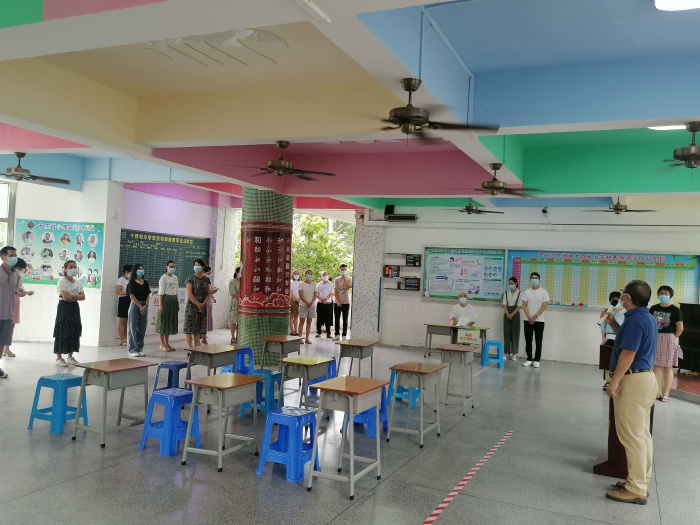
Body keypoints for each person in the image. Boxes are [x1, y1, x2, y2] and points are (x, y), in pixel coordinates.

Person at [602, 280, 658, 505]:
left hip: (633, 381)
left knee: (632, 437)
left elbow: (628, 353)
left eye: (623, 293)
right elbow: (629, 342)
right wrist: (614, 324)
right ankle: (641, 480)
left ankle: (636, 488)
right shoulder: (645, 317)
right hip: (646, 379)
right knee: (642, 435)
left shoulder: (635, 320)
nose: (621, 295)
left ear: (628, 297)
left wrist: (614, 381)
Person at [650, 285, 683, 403]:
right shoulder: (653, 308)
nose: (663, 295)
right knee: (656, 367)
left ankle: (666, 393)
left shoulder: (675, 310)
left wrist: (673, 337)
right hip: (655, 338)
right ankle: (657, 392)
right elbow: (650, 323)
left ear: (670, 295)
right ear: (658, 294)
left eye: (666, 293)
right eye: (661, 293)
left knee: (668, 367)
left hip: (669, 338)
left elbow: (680, 328)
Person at [0, 247, 28, 375]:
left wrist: (25, 293)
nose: (14, 258)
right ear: (3, 257)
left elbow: (17, 292)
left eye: (15, 255)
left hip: (8, 313)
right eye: (11, 255)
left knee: (2, 342)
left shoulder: (16, 274)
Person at [54, 260, 84, 367]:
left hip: (74, 308)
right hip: (64, 307)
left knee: (74, 331)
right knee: (62, 331)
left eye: (75, 267)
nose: (73, 269)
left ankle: (70, 357)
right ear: (65, 269)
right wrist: (75, 296)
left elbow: (83, 297)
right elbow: (65, 298)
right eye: (70, 267)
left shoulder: (78, 282)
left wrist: (71, 295)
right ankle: (59, 358)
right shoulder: (62, 282)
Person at [5, 258, 34, 358]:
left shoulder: (18, 277)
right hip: (4, 303)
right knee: (4, 325)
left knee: (10, 325)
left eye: (21, 269)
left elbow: (20, 290)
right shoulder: (4, 275)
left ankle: (6, 348)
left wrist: (26, 293)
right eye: (19, 268)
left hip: (14, 302)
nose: (20, 271)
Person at [521, 272, 550, 368]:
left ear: (539, 280)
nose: (534, 279)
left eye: (536, 278)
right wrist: (529, 317)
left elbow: (544, 306)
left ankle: (537, 359)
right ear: (530, 280)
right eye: (532, 278)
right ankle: (529, 359)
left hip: (539, 320)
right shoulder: (526, 292)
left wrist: (535, 316)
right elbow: (524, 305)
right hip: (527, 319)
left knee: (538, 341)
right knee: (528, 340)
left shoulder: (544, 292)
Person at [599, 291, 626, 391]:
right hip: (609, 338)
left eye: (617, 298)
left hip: (620, 338)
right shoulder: (608, 311)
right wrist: (603, 339)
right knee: (607, 361)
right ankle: (608, 381)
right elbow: (603, 327)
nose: (615, 300)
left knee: (619, 361)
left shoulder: (625, 312)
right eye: (613, 298)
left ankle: (618, 381)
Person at [184, 259, 212, 348]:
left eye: (198, 265)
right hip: (192, 307)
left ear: (203, 267)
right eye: (195, 265)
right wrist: (199, 304)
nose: (196, 267)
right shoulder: (190, 279)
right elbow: (190, 294)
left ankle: (196, 348)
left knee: (198, 329)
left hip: (202, 307)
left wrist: (203, 303)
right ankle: (189, 349)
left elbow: (208, 293)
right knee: (188, 329)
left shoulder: (206, 280)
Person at [127, 263, 150, 357]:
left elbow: (148, 295)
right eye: (139, 269)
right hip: (135, 305)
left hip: (144, 306)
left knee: (142, 328)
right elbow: (132, 296)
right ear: (135, 271)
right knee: (132, 328)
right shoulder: (132, 282)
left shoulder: (145, 282)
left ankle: (140, 348)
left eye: (142, 269)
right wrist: (140, 307)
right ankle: (132, 349)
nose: (141, 271)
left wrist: (146, 305)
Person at [156, 260, 178, 352]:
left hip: (173, 300)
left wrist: (177, 302)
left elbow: (176, 291)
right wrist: (160, 305)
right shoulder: (163, 278)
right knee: (163, 322)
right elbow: (161, 292)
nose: (172, 268)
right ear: (166, 267)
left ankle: (167, 343)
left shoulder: (175, 277)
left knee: (168, 323)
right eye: (170, 266)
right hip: (165, 300)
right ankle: (162, 344)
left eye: (174, 267)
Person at [502, 277, 522, 361]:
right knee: (506, 333)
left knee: (515, 333)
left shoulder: (520, 293)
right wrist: (507, 314)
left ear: (516, 283)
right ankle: (506, 353)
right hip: (507, 314)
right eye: (509, 283)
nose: (510, 285)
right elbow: (504, 304)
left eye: (512, 283)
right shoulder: (506, 293)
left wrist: (512, 314)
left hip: (515, 314)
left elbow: (519, 305)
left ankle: (514, 353)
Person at [298, 269, 319, 344]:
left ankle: (307, 338)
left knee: (309, 322)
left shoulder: (314, 284)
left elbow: (315, 295)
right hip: (303, 305)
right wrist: (306, 302)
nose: (309, 275)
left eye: (310, 274)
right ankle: (300, 338)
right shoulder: (301, 284)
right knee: (302, 322)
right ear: (305, 275)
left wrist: (311, 302)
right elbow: (300, 295)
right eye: (308, 273)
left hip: (312, 306)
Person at [333, 264, 352, 341]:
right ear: (339, 270)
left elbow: (347, 288)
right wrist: (338, 301)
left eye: (344, 270)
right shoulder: (336, 279)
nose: (343, 271)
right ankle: (337, 334)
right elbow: (335, 291)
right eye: (342, 270)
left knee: (345, 319)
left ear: (346, 270)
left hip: (346, 302)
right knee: (337, 319)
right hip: (337, 302)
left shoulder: (349, 279)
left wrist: (344, 279)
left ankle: (344, 335)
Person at [116, 265, 132, 346]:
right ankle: (122, 339)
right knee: (122, 321)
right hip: (123, 301)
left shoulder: (131, 280)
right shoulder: (121, 280)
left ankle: (126, 338)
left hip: (130, 300)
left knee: (127, 322)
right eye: (130, 273)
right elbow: (118, 291)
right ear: (126, 272)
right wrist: (128, 293)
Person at [315, 271, 334, 339]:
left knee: (328, 319)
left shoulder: (331, 284)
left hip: (328, 303)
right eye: (323, 275)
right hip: (320, 303)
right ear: (321, 276)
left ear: (328, 275)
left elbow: (332, 293)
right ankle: (318, 332)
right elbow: (316, 293)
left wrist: (325, 299)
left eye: (326, 275)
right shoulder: (318, 284)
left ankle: (328, 333)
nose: (325, 276)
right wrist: (321, 299)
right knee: (319, 318)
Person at [229, 267, 240, 344]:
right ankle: (233, 337)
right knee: (233, 321)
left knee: (239, 321)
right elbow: (233, 293)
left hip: (242, 304)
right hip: (235, 303)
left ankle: (238, 337)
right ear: (236, 273)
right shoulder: (232, 282)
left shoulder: (244, 281)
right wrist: (240, 299)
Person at [289, 269, 301, 336]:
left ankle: (296, 330)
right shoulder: (291, 282)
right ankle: (292, 330)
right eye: (295, 273)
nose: (296, 275)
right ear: (293, 275)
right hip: (293, 300)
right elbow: (290, 292)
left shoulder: (301, 283)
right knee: (292, 316)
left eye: (297, 273)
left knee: (296, 316)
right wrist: (296, 299)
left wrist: (300, 299)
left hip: (299, 301)